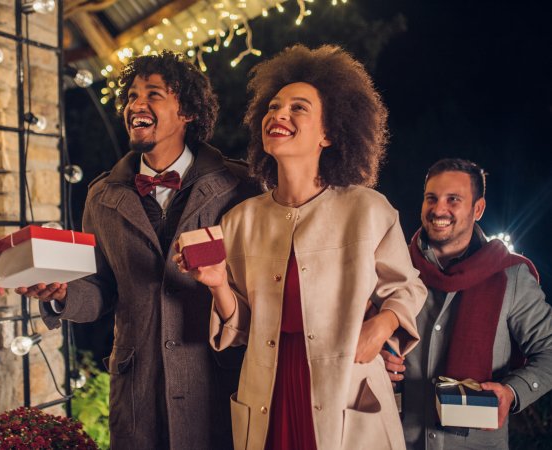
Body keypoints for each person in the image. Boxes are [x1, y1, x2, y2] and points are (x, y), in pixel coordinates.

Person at [175, 44, 427, 450]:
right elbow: (239, 328)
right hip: (268, 395)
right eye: (273, 107)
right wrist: (218, 283)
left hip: (345, 389)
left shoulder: (368, 209)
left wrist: (379, 329)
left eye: (298, 108)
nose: (279, 115)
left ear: (329, 134)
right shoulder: (240, 221)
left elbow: (408, 288)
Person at [19, 51, 258, 450]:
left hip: (217, 380)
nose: (136, 105)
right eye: (131, 96)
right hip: (138, 390)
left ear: (188, 112)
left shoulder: (240, 187)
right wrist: (64, 295)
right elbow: (100, 288)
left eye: (153, 94)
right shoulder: (101, 196)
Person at [382, 158, 552, 449]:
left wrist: (512, 391)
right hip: (396, 440)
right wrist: (377, 361)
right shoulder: (393, 267)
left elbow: (548, 351)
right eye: (431, 198)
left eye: (453, 200)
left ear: (478, 209)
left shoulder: (510, 275)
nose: (438, 209)